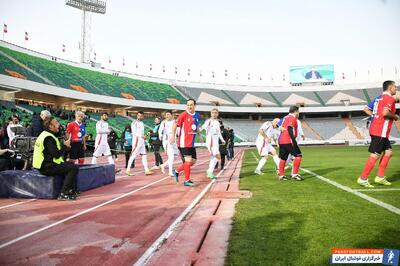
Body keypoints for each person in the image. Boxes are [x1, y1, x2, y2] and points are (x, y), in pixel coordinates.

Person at [357, 80, 398, 187]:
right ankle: (363, 178)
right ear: (390, 87)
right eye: (395, 87)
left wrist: (374, 116)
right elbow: (385, 113)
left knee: (388, 152)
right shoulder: (389, 98)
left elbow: (366, 109)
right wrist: (396, 116)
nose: (396, 89)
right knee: (375, 154)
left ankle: (380, 177)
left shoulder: (378, 98)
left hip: (377, 129)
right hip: (380, 131)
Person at [32, 117, 79, 200]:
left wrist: (65, 148)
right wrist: (65, 146)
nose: (59, 125)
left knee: (70, 165)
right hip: (46, 167)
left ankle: (70, 190)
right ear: (50, 126)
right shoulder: (49, 138)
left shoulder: (44, 134)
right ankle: (63, 193)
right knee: (73, 168)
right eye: (56, 123)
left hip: (43, 165)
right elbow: (56, 155)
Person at [171, 99, 203, 187]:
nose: (189, 106)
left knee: (193, 161)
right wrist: (173, 136)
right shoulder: (183, 115)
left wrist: (200, 135)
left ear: (195, 106)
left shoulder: (197, 115)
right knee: (188, 162)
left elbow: (196, 127)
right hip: (183, 142)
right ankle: (187, 180)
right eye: (188, 105)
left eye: (191, 105)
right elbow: (174, 125)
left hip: (191, 143)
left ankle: (176, 171)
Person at [278, 106, 303, 181]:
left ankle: (281, 175)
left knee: (283, 158)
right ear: (295, 111)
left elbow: (277, 124)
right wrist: (293, 140)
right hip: (289, 140)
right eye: (298, 112)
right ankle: (294, 175)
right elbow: (289, 128)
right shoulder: (293, 118)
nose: (298, 113)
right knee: (298, 156)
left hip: (281, 140)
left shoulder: (285, 117)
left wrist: (281, 128)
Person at [126, 111, 154, 176]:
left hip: (142, 142)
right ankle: (128, 170)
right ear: (137, 116)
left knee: (144, 155)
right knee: (133, 156)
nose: (140, 117)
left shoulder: (142, 123)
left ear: (143, 116)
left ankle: (146, 170)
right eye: (139, 116)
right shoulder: (134, 123)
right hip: (136, 141)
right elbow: (134, 132)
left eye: (141, 116)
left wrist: (144, 137)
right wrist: (141, 136)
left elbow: (141, 132)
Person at [200, 109, 225, 179]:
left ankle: (209, 172)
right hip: (210, 142)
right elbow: (202, 127)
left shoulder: (217, 122)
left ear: (217, 114)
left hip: (215, 143)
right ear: (211, 114)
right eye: (213, 113)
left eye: (215, 113)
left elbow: (219, 132)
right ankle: (210, 171)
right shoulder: (208, 121)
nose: (214, 114)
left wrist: (222, 140)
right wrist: (198, 132)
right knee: (218, 156)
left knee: (214, 157)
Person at [158, 110, 179, 176]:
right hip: (167, 141)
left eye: (168, 114)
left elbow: (178, 130)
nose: (166, 116)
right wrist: (160, 135)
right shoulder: (163, 122)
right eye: (166, 115)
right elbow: (160, 130)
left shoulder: (175, 122)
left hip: (174, 140)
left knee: (175, 156)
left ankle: (163, 165)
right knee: (171, 156)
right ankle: (170, 172)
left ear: (171, 115)